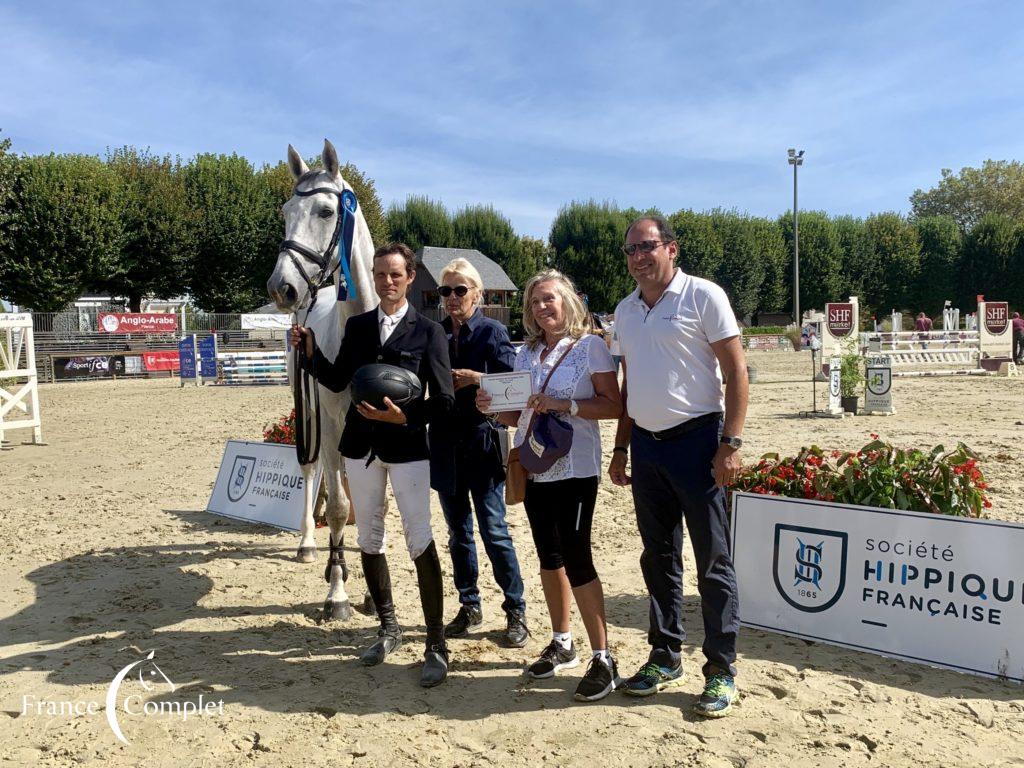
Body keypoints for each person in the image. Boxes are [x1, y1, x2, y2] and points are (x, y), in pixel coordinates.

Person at [292, 243, 455, 687]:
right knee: (369, 536)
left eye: (396, 275)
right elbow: (337, 378)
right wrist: (308, 350)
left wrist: (406, 417)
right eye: (380, 274)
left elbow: (443, 399)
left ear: (410, 276)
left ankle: (436, 643)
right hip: (360, 447)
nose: (387, 282)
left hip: (406, 448)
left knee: (419, 537)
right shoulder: (360, 326)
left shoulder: (430, 332)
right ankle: (388, 627)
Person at [609, 215, 748, 717]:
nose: (638, 257)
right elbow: (629, 386)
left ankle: (721, 669)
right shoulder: (625, 311)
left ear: (671, 247)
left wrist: (730, 443)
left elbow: (735, 371)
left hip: (698, 442)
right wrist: (621, 448)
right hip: (647, 446)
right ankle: (665, 655)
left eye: (647, 246)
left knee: (713, 560)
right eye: (630, 250)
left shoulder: (703, 295)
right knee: (658, 557)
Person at [476, 269, 623, 702]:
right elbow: (518, 417)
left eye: (550, 299)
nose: (543, 307)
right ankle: (563, 641)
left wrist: (565, 403)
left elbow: (613, 405)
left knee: (579, 559)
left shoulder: (591, 346)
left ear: (568, 301)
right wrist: (490, 408)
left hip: (575, 469)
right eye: (536, 301)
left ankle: (603, 656)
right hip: (535, 465)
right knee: (548, 556)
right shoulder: (526, 356)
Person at [434, 257, 529, 647]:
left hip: (482, 442)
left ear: (477, 294)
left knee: (494, 531)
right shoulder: (433, 333)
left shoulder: (493, 332)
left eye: (460, 290)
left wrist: (478, 379)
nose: (452, 298)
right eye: (445, 291)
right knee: (458, 534)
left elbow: (514, 387)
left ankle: (515, 609)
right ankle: (469, 605)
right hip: (443, 443)